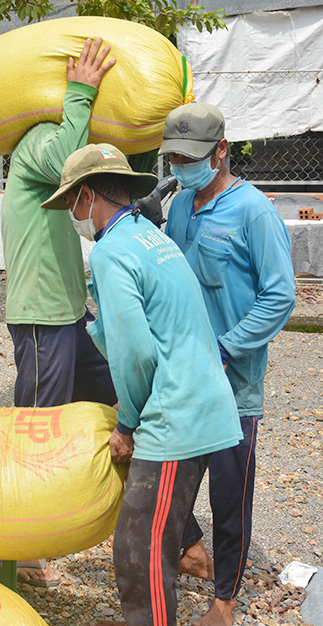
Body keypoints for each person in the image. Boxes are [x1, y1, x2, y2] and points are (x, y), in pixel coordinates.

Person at [41, 142, 243, 626]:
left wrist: (127, 423)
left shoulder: (112, 252)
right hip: (196, 400)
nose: (72, 212)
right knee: (144, 546)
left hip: (176, 416)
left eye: (71, 201)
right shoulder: (149, 236)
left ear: (88, 195)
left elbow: (136, 352)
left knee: (142, 555)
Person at [159, 102, 296, 626]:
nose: (181, 167)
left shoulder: (254, 211)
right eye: (173, 157)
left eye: (190, 157)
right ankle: (182, 556)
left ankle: (225, 600)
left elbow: (279, 295)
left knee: (229, 495)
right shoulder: (179, 206)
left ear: (221, 151)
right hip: (182, 374)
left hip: (233, 384)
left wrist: (227, 347)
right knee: (169, 479)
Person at [0, 37, 120, 586]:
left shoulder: (53, 137)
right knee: (38, 429)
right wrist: (82, 92)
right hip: (43, 315)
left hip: (69, 313)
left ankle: (174, 533)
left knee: (122, 394)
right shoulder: (37, 142)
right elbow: (68, 163)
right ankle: (24, 546)